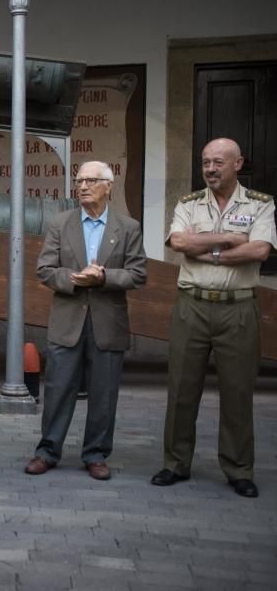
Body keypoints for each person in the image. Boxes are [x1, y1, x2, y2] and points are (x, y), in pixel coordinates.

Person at [151, 138, 275, 498]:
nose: (210, 168)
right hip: (192, 306)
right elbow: (179, 243)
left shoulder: (260, 205)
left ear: (238, 163)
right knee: (180, 390)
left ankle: (238, 469)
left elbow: (260, 250)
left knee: (238, 391)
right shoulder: (189, 204)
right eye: (206, 162)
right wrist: (230, 239)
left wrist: (210, 252)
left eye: (218, 162)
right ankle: (175, 463)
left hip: (239, 308)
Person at [25, 161, 147, 481]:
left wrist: (104, 276)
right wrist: (77, 279)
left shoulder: (128, 228)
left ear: (109, 186)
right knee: (57, 388)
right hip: (67, 321)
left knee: (103, 393)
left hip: (108, 323)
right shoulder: (61, 223)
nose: (82, 186)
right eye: (79, 181)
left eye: (91, 181)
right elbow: (45, 270)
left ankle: (96, 454)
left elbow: (138, 274)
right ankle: (47, 451)